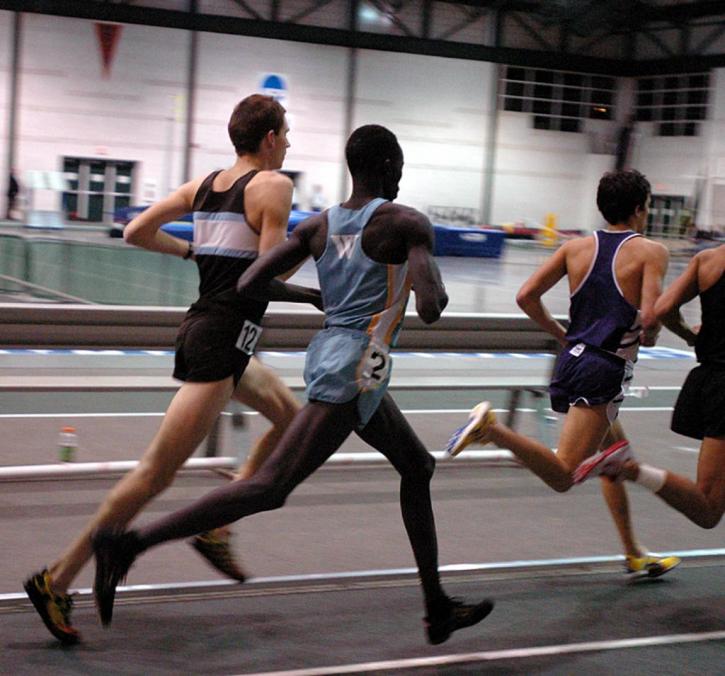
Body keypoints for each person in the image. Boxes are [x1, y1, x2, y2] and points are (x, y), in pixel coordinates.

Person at [91, 124, 494, 646]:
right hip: (356, 366)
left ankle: (437, 606)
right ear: (391, 165)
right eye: (400, 166)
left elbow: (249, 281)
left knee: (417, 465)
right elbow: (433, 309)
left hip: (336, 356)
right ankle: (127, 544)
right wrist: (425, 283)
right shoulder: (406, 223)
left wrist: (311, 295)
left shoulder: (319, 227)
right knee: (270, 487)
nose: (401, 175)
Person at [23, 94, 320, 645]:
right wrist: (314, 282)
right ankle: (56, 580)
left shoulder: (204, 186)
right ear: (272, 138)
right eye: (287, 134)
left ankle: (217, 524)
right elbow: (266, 275)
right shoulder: (274, 187)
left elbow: (135, 231)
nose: (289, 144)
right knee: (154, 475)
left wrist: (191, 255)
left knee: (289, 419)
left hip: (223, 336)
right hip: (218, 343)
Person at [447, 170, 680, 575]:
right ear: (641, 209)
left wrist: (561, 334)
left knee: (614, 456)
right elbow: (650, 313)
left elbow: (525, 295)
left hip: (571, 360)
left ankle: (633, 552)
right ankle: (491, 429)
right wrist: (652, 335)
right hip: (603, 369)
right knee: (564, 473)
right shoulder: (650, 251)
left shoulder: (576, 248)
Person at [617, 244, 724, 528]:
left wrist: (690, 336)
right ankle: (636, 472)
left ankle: (638, 473)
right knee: (709, 507)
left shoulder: (708, 260)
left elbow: (663, 308)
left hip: (713, 381)